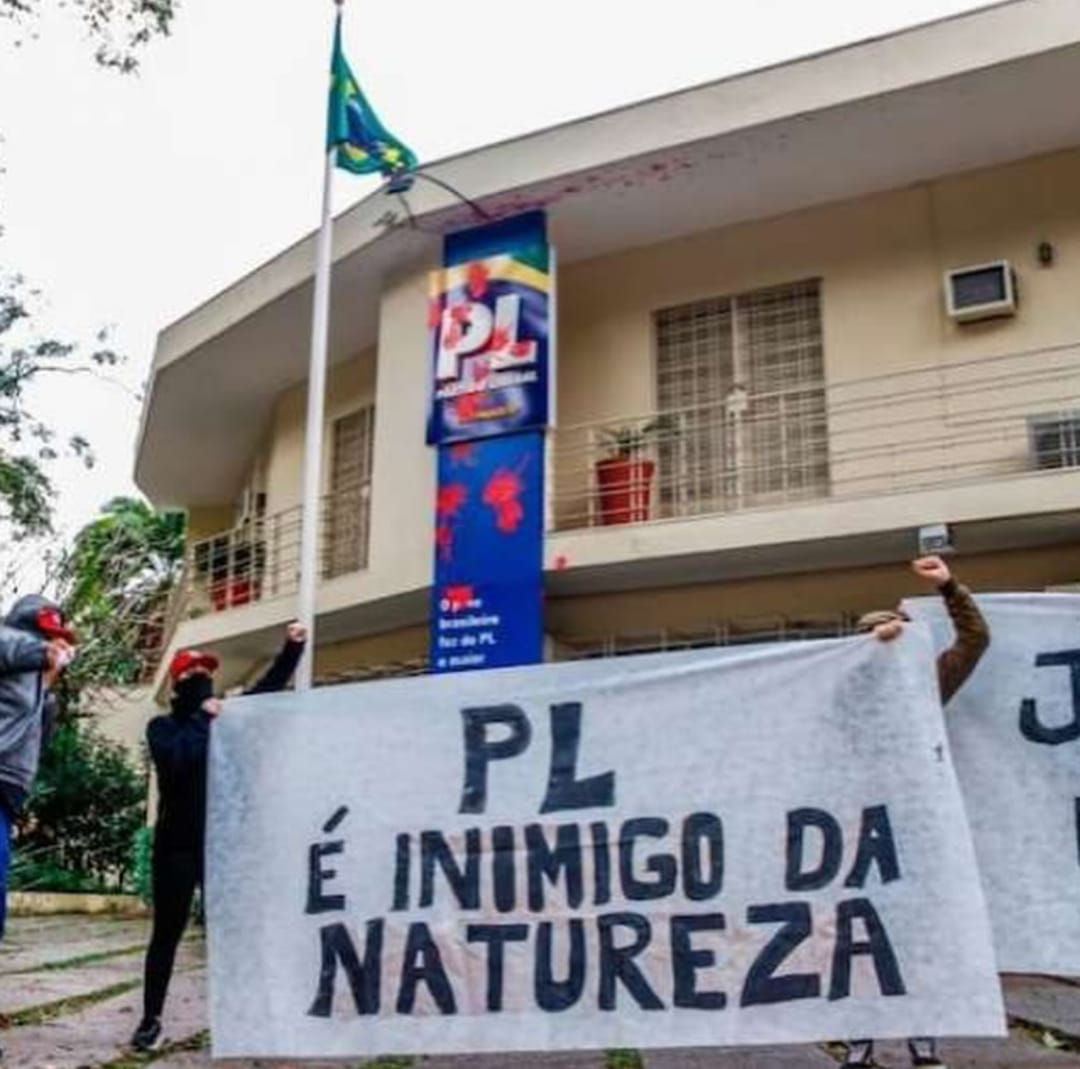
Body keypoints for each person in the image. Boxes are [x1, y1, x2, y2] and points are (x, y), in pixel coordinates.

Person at [131, 621, 307, 1053]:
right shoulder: (163, 728)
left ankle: (246, 1018)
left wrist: (292, 649)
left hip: (223, 847)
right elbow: (177, 764)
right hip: (176, 848)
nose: (201, 680)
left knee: (232, 935)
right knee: (166, 936)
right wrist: (204, 720)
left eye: (206, 674)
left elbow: (268, 689)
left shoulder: (226, 718)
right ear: (178, 684)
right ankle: (150, 1019)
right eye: (192, 676)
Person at [842, 555, 989, 1069]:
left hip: (920, 827)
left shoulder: (929, 684)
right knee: (860, 939)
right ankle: (859, 1043)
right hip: (857, 833)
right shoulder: (842, 691)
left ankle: (922, 1043)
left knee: (922, 939)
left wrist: (949, 588)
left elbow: (975, 641)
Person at [0, 595, 76, 1061]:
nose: (53, 647)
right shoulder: (9, 640)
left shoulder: (35, 684)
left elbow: (38, 742)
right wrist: (41, 653)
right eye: (47, 638)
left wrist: (47, 688)